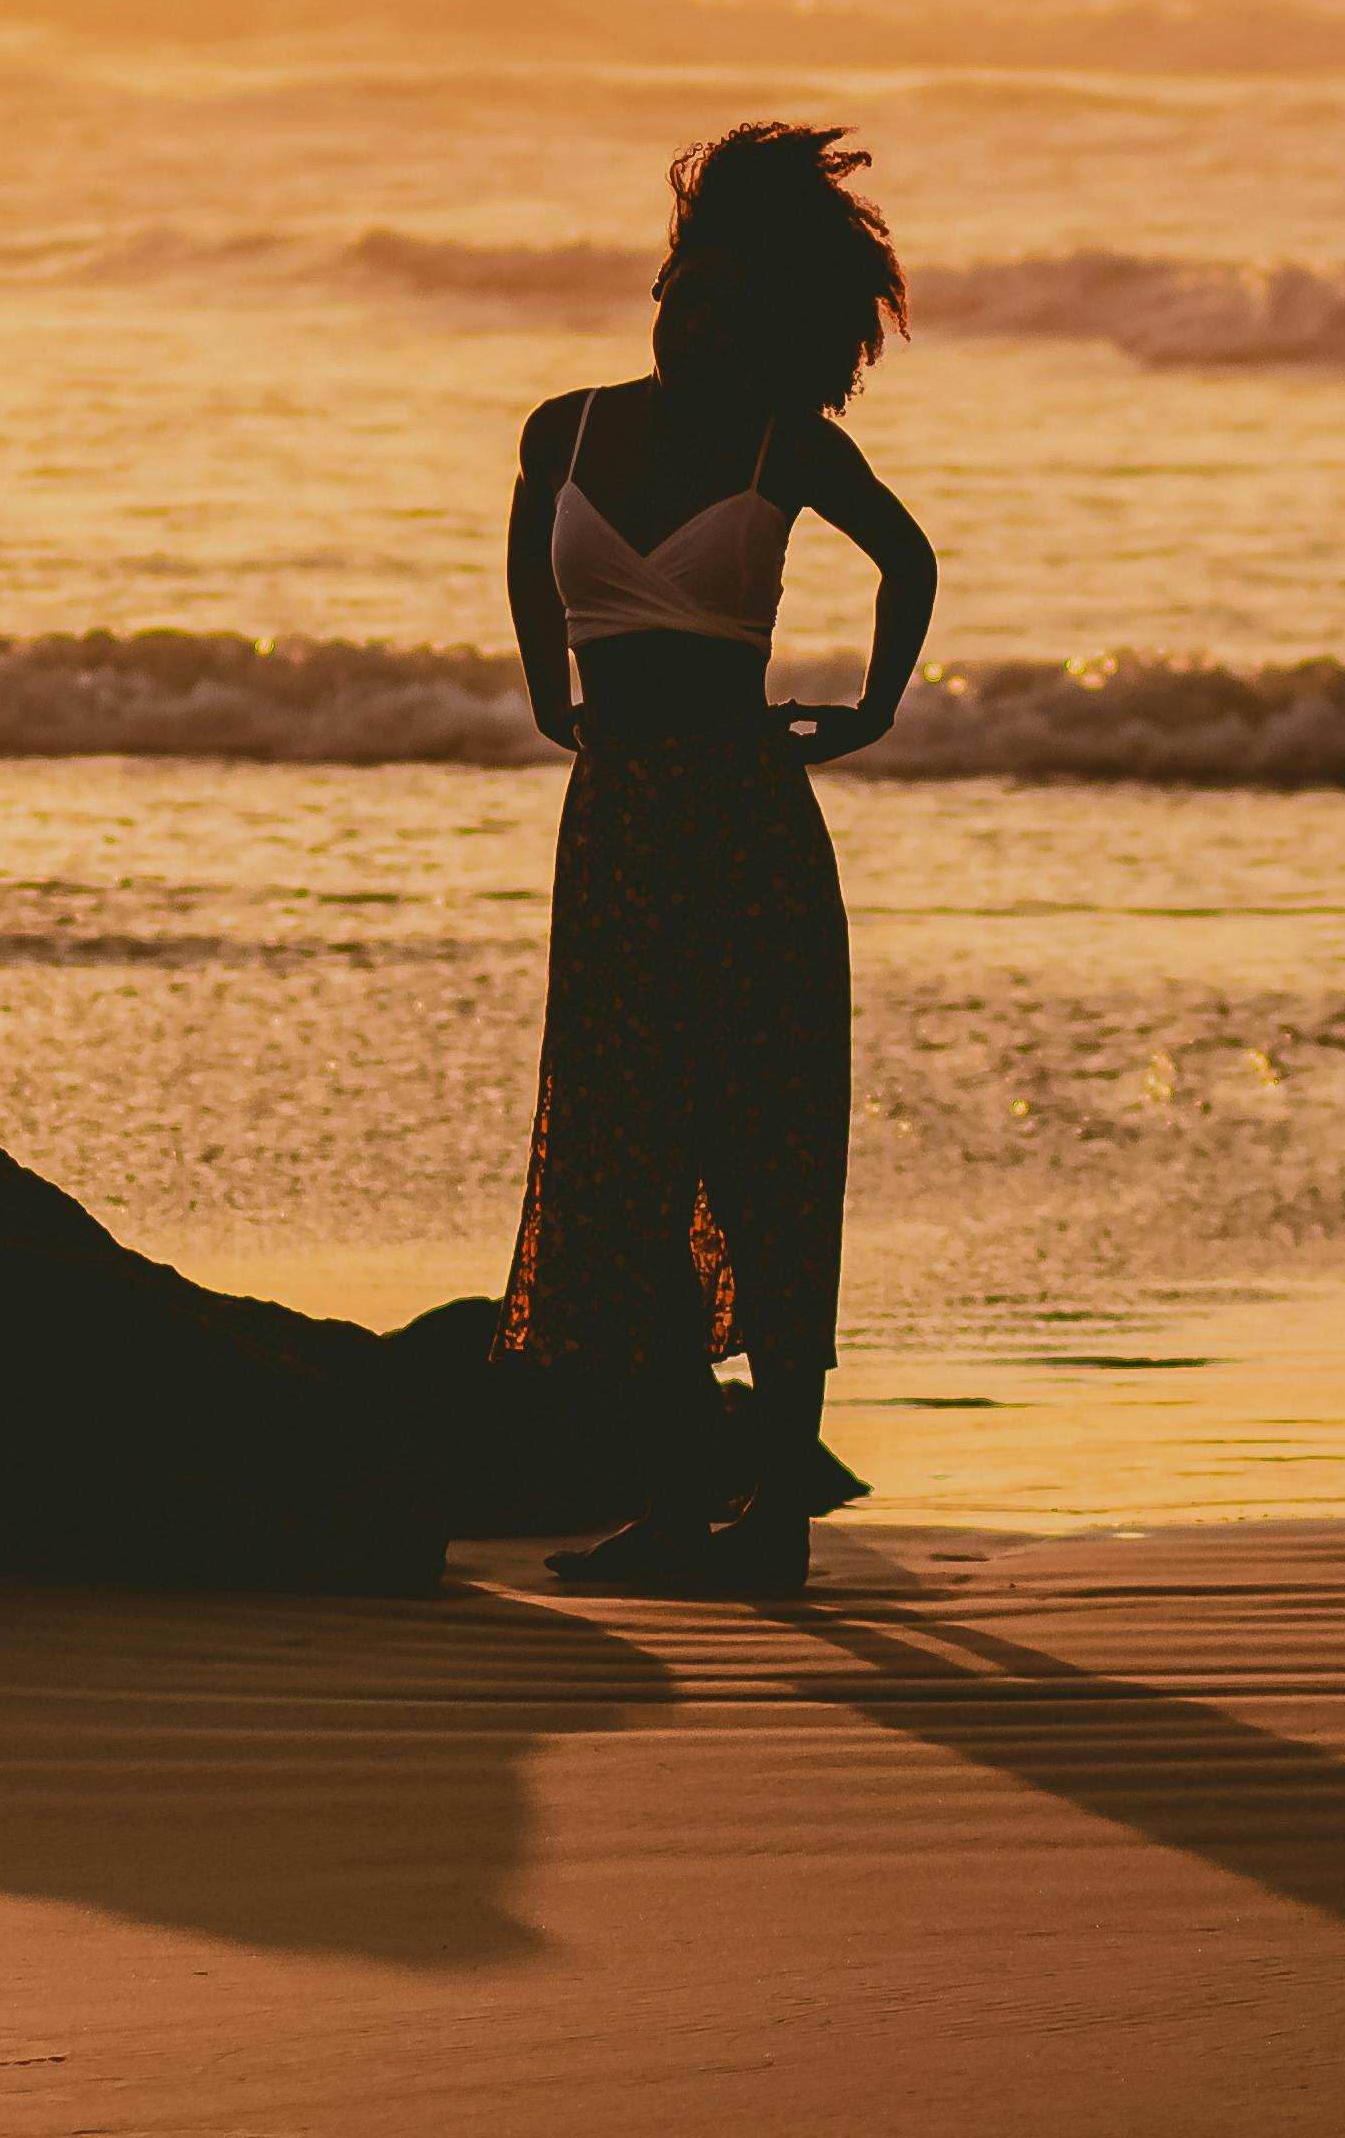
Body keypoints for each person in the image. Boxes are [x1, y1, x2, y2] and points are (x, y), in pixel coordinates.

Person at [496, 121, 937, 1595]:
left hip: (743, 829)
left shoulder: (781, 446)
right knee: (627, 1160)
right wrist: (545, 683)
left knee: (762, 1153)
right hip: (615, 823)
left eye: (720, 310)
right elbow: (522, 541)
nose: (687, 325)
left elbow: (910, 558)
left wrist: (873, 708)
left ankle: (775, 1528)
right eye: (679, 296)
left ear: (756, 326)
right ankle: (678, 1505)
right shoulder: (563, 426)